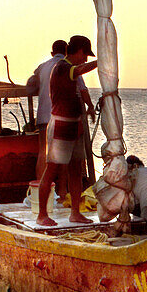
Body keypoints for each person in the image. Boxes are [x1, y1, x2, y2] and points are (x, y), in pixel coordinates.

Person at [36, 35, 99, 227]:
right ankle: (41, 214)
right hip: (60, 126)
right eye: (85, 55)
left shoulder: (71, 70)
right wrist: (101, 61)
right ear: (79, 51)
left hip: (74, 125)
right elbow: (79, 69)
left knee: (75, 169)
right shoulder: (63, 67)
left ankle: (75, 213)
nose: (85, 59)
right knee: (52, 169)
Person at [27, 40, 95, 181]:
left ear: (52, 53)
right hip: (60, 117)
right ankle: (63, 192)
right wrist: (90, 106)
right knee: (63, 156)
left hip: (43, 116)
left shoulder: (43, 67)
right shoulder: (67, 67)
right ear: (66, 52)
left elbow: (31, 83)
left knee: (43, 152)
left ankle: (40, 186)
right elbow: (82, 89)